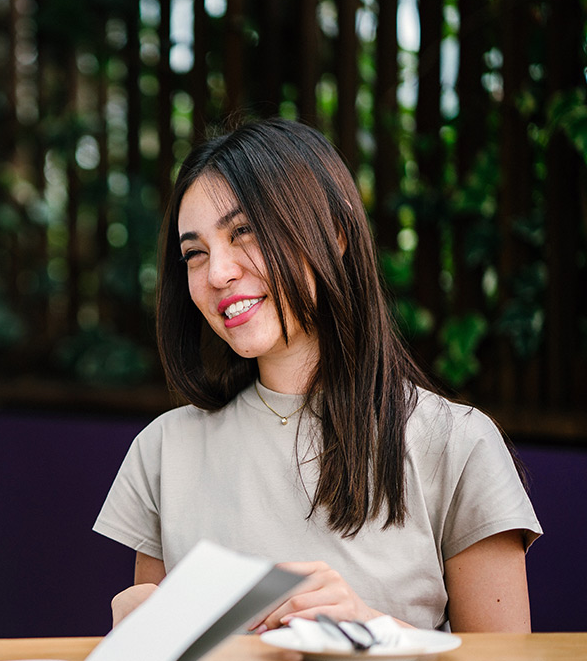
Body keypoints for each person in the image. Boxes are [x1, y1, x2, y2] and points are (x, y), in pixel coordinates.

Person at [94, 119, 540, 633]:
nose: (217, 273)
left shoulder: (457, 444)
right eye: (195, 253)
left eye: (245, 232)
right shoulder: (163, 453)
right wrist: (141, 639)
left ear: (335, 233)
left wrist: (371, 631)